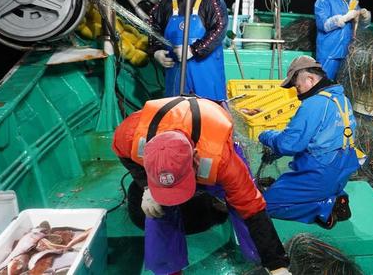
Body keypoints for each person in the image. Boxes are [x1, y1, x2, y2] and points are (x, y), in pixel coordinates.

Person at [112, 96, 290, 275]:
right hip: (168, 130)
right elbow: (122, 154)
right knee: (157, 212)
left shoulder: (223, 161)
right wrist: (146, 187)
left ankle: (259, 259)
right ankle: (169, 270)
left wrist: (277, 264)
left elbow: (253, 209)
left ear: (196, 158)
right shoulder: (129, 135)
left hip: (210, 139)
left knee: (241, 205)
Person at [258, 56, 362, 229]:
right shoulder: (341, 99)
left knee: (263, 205)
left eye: (297, 86)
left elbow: (288, 144)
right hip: (342, 168)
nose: (297, 92)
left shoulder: (314, 103)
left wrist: (266, 135)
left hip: (320, 173)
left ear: (310, 79)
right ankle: (337, 195)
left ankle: (325, 207)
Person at [150, 0, 228, 100]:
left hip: (206, 81)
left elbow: (219, 28)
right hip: (175, 81)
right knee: (176, 119)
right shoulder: (165, 2)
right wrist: (156, 50)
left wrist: (194, 50)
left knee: (207, 120)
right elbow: (152, 25)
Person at [314, 0, 371, 79]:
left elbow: (361, 28)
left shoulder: (353, 0)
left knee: (343, 84)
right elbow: (323, 25)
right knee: (324, 81)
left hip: (347, 51)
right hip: (329, 52)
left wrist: (365, 18)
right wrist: (343, 18)